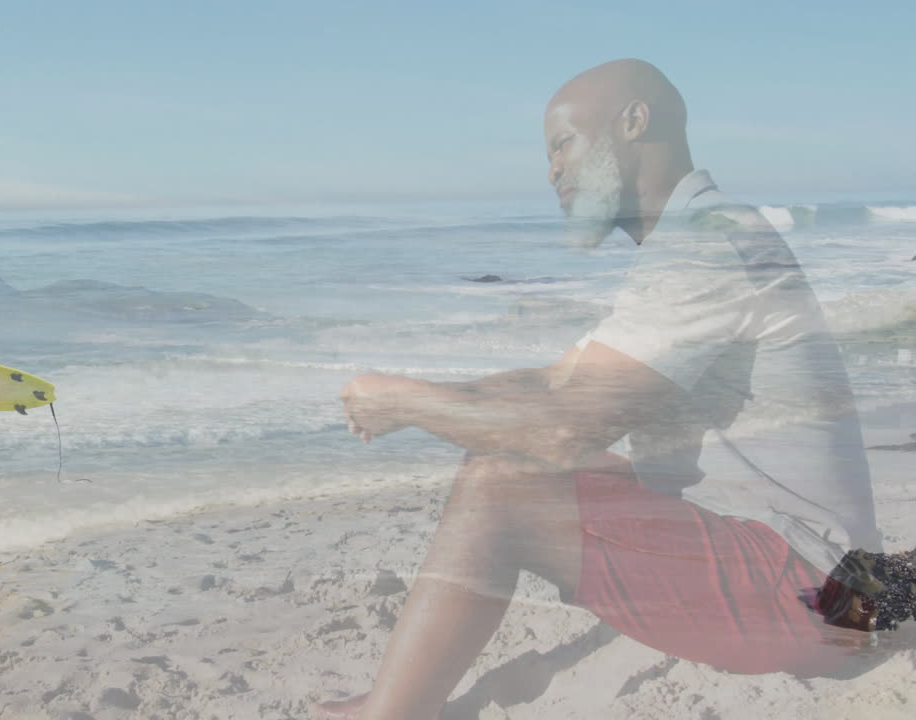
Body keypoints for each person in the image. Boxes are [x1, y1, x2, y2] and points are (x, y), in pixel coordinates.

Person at [315, 59, 885, 719]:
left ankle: (392, 712)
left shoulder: (704, 245)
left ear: (634, 122)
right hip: (839, 588)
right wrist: (417, 395)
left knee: (500, 483)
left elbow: (564, 428)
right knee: (504, 461)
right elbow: (557, 381)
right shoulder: (702, 232)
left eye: (563, 144)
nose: (551, 170)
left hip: (829, 604)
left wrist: (405, 402)